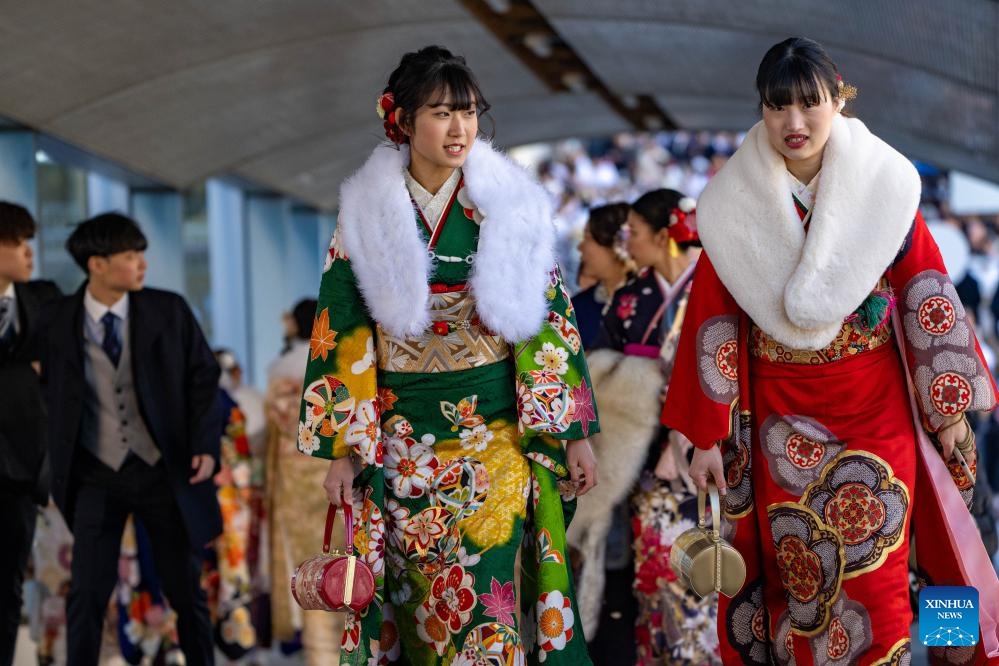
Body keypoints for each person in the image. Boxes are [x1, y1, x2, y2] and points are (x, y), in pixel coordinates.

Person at [662, 37, 999, 665]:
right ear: (760, 109)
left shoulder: (883, 182)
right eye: (777, 106)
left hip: (878, 408)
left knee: (886, 574)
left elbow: (926, 290)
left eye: (809, 104)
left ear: (837, 99)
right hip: (775, 418)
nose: (794, 123)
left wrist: (948, 408)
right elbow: (713, 323)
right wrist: (705, 433)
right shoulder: (732, 203)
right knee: (799, 581)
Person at [297, 45, 599, 664]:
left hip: (493, 435)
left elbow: (546, 325)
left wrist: (572, 432)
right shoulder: (366, 210)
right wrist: (344, 453)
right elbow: (342, 334)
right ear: (403, 122)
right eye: (440, 113)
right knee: (413, 601)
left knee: (486, 591)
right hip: (401, 438)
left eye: (467, 112)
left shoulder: (505, 202)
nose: (459, 128)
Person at [38, 212, 222, 666]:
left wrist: (204, 443)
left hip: (164, 468)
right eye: (129, 255)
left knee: (185, 589)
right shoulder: (56, 319)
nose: (141, 263)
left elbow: (204, 378)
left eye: (141, 253)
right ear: (96, 264)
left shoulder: (168, 309)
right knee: (86, 593)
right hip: (94, 472)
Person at [576, 189, 717, 665]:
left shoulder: (716, 289)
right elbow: (599, 365)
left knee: (711, 578)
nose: (626, 243)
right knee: (655, 577)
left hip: (709, 459)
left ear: (663, 237)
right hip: (646, 463)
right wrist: (638, 382)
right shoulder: (631, 301)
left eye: (633, 233)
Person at [265, 297, 344, 665]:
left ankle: (320, 656)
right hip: (339, 471)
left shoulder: (280, 369)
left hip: (295, 481)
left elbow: (276, 428)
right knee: (349, 567)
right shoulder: (338, 361)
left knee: (311, 570)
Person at [0, 202, 61, 666]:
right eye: (18, 243)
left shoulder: (41, 300)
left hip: (22, 474)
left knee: (8, 591)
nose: (29, 253)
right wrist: (26, 373)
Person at [571, 203, 632, 350]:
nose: (580, 247)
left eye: (588, 238)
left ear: (615, 246)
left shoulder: (650, 303)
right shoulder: (576, 308)